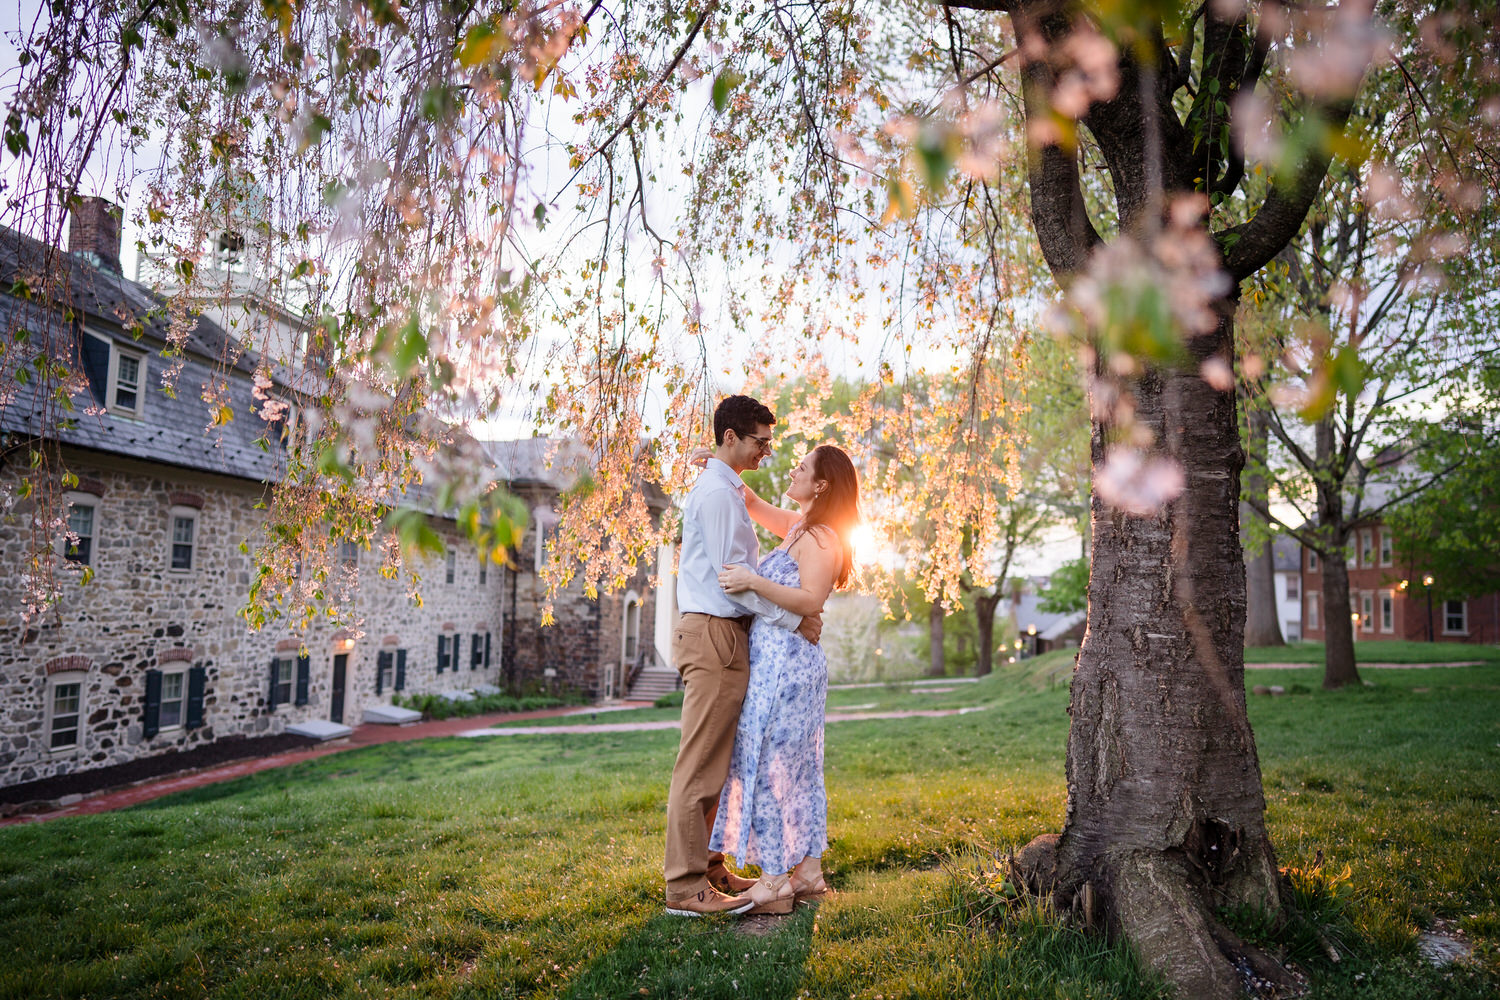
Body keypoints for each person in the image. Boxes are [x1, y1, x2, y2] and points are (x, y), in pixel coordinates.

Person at [664, 395, 823, 917]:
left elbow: (745, 552)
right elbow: (734, 583)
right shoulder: (714, 494)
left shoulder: (725, 487)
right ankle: (686, 889)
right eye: (760, 441)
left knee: (720, 764)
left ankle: (709, 870)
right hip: (712, 632)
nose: (768, 451)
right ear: (731, 437)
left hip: (728, 637)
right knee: (701, 766)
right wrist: (794, 618)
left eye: (771, 443)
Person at [710, 443, 859, 914]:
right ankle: (808, 870)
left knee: (772, 763)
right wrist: (716, 462)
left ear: (821, 485)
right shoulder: (801, 529)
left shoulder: (823, 539)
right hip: (780, 660)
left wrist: (752, 581)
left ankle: (775, 880)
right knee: (794, 764)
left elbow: (810, 600)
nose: (792, 470)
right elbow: (750, 503)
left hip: (788, 666)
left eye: (803, 467)